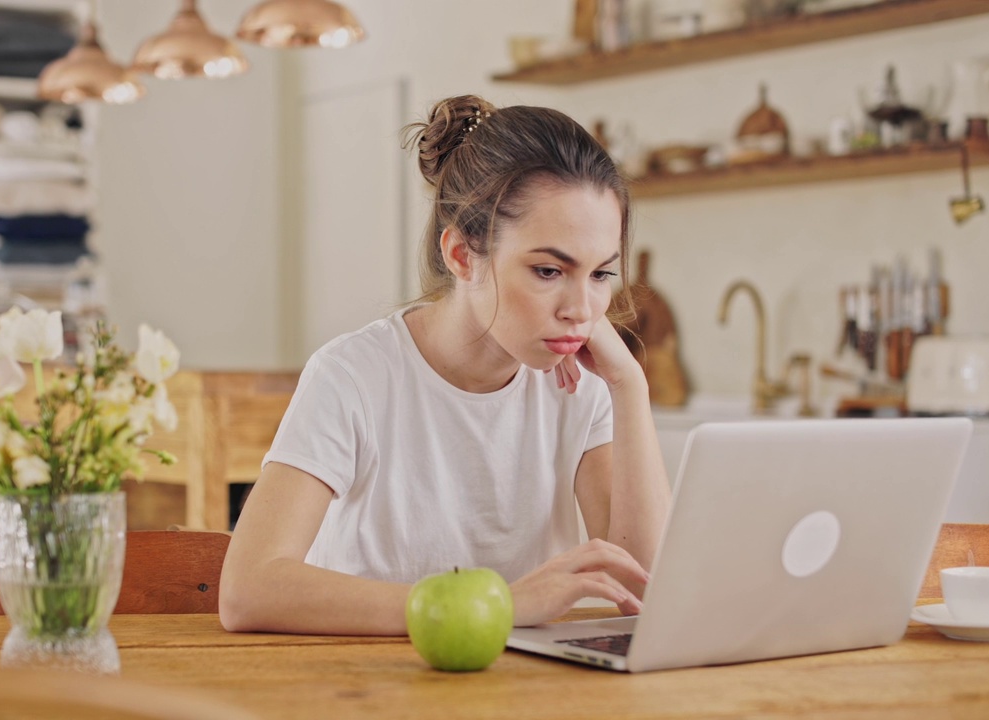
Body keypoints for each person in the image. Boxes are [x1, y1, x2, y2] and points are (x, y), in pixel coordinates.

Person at [219, 94, 671, 635]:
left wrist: (630, 387)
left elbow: (646, 591)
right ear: (462, 256)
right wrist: (493, 605)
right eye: (550, 271)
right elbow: (248, 591)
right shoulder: (352, 377)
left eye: (600, 275)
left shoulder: (584, 385)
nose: (581, 311)